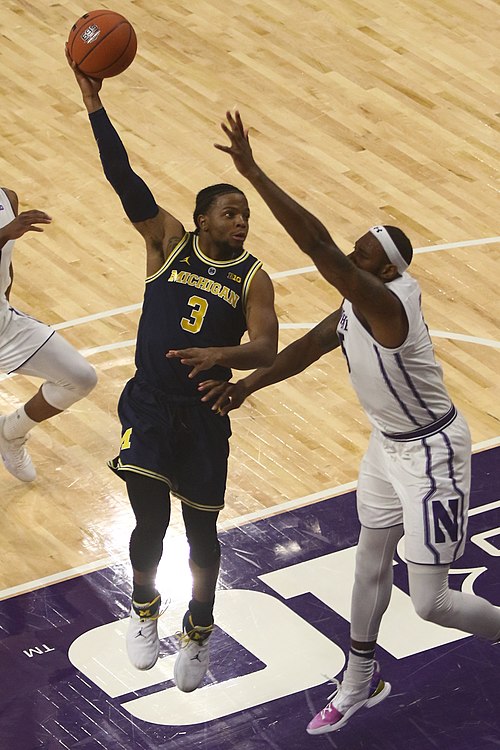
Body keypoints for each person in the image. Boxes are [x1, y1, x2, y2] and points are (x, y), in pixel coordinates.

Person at [201, 110, 500, 733]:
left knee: (433, 603)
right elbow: (309, 348)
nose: (349, 263)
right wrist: (247, 387)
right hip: (387, 449)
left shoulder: (388, 306)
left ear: (385, 271)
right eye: (353, 256)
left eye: (358, 259)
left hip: (432, 454)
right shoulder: (355, 300)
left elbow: (316, 247)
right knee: (368, 561)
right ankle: (360, 678)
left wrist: (253, 172)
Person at [68, 64, 278, 693]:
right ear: (202, 218)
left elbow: (266, 350)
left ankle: (201, 625)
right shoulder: (167, 242)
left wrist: (223, 357)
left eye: (244, 214)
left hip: (206, 412)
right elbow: (120, 176)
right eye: (229, 212)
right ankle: (144, 612)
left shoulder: (253, 277)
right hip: (152, 403)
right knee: (149, 520)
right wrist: (93, 102)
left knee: (202, 531)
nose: (240, 221)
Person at [0, 188, 97, 482]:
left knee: (80, 378)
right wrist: (4, 233)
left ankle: (10, 433)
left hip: (3, 325)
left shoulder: (6, 198)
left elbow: (6, 264)